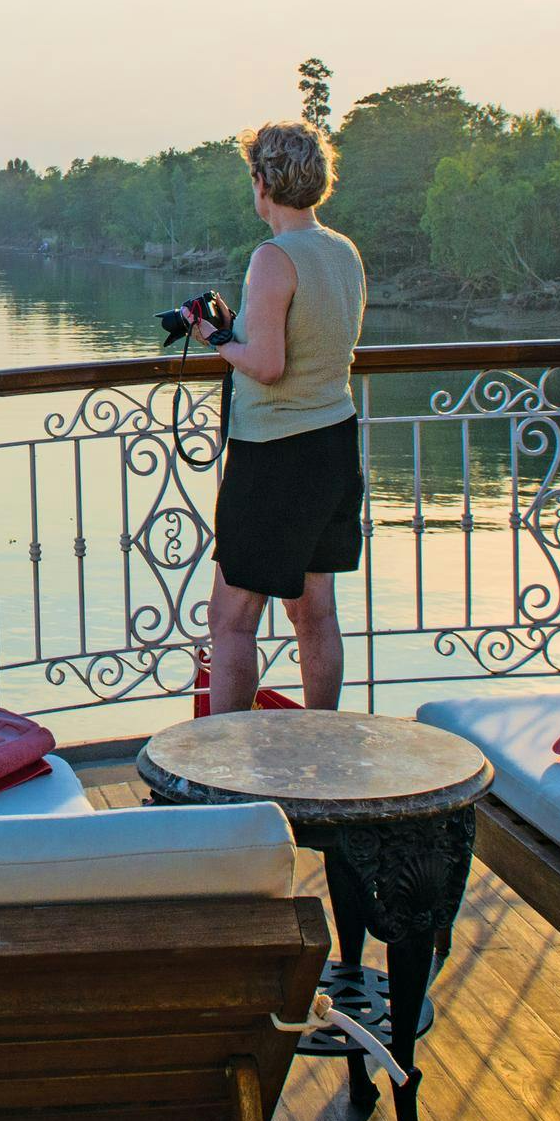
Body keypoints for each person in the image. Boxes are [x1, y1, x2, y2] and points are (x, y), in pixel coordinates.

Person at [190, 117, 364, 713]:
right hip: (334, 443)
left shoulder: (273, 257)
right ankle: (325, 742)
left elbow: (265, 364)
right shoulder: (342, 251)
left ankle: (224, 766)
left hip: (276, 452)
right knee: (315, 611)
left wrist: (215, 337)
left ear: (263, 182)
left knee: (231, 618)